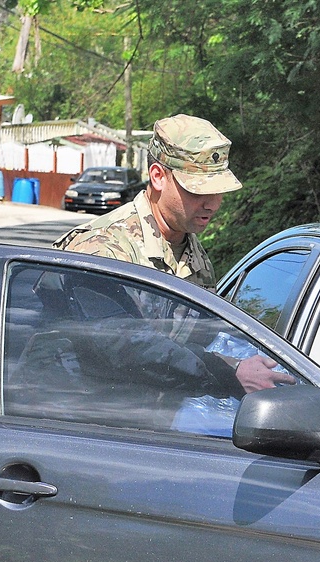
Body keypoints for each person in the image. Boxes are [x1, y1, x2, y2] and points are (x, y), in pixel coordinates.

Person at [54, 113, 293, 393]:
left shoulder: (195, 258)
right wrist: (227, 372)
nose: (213, 205)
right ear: (158, 177)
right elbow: (122, 345)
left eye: (220, 191)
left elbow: (194, 341)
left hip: (153, 416)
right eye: (198, 190)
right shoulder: (102, 249)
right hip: (84, 418)